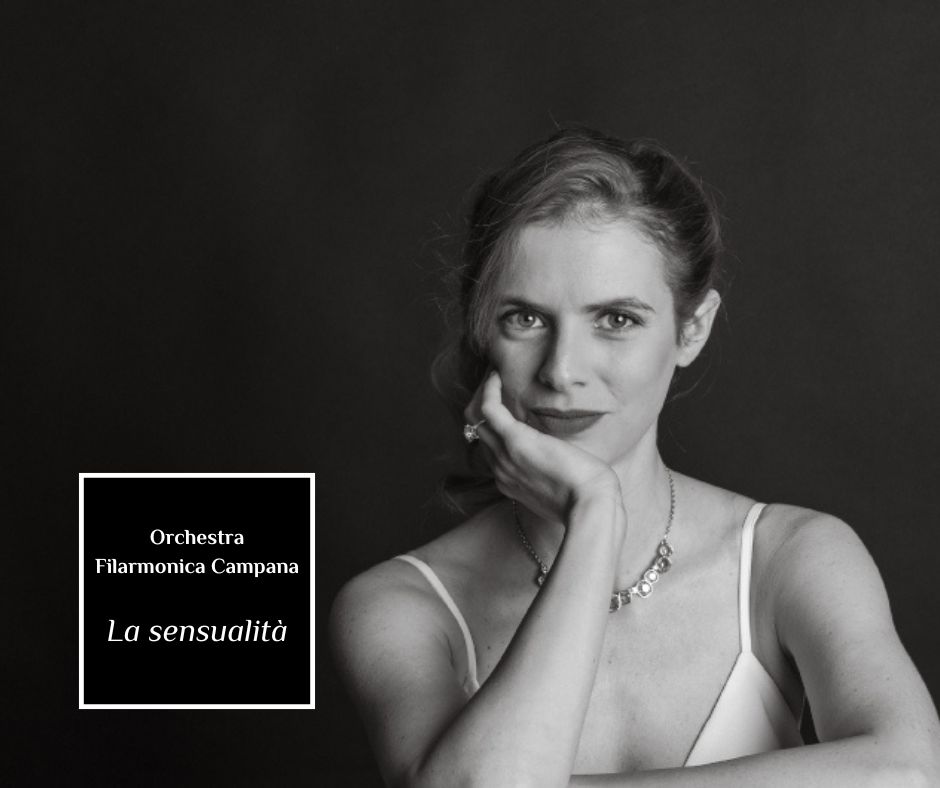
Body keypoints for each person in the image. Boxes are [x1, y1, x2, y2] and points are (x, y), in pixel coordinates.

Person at [330, 127, 940, 786]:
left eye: (616, 320)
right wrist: (595, 517)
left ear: (691, 329)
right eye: (524, 318)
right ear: (483, 333)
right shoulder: (397, 607)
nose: (562, 371)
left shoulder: (790, 556)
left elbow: (908, 772)